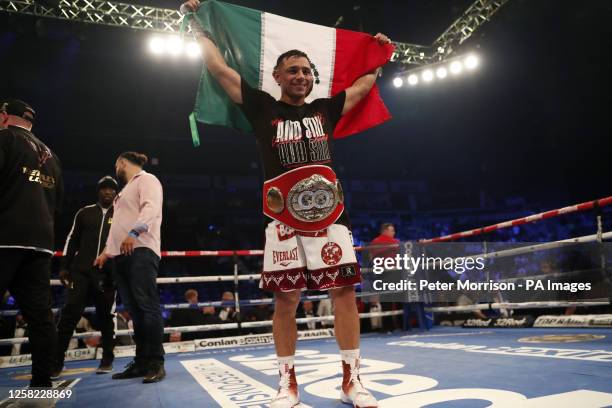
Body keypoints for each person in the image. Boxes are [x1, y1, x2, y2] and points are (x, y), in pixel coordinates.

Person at [181, 2, 390, 406]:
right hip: (281, 219)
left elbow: (363, 86)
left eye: (306, 71)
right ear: (277, 77)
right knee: (287, 298)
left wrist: (378, 55)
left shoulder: (325, 108)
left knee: (344, 292)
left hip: (332, 216)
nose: (300, 76)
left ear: (314, 80)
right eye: (292, 70)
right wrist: (197, 28)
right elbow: (220, 69)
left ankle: (351, 380)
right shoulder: (262, 107)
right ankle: (286, 383)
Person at [0, 98, 62, 387]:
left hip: (6, 238)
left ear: (4, 116)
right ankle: (41, 383)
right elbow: (57, 204)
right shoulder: (52, 156)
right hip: (41, 243)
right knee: (39, 316)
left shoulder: (5, 139)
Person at [94, 152, 165, 383]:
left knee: (147, 306)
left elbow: (151, 208)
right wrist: (106, 251)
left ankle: (156, 362)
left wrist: (134, 232)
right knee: (135, 311)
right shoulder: (124, 191)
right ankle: (142, 362)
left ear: (123, 163)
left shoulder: (147, 180)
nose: (116, 169)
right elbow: (117, 227)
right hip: (121, 255)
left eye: (116, 165)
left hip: (141, 249)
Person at [52, 176, 118, 377]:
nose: (108, 192)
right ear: (98, 191)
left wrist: (118, 273)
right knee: (69, 314)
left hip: (106, 273)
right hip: (80, 271)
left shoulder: (122, 214)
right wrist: (64, 267)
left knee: (106, 317)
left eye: (111, 189)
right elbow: (71, 240)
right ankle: (56, 361)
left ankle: (107, 358)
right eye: (104, 188)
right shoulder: (84, 212)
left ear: (116, 193)